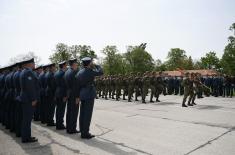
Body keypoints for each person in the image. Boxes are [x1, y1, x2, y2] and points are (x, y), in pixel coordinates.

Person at [75, 57, 103, 139]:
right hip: (89, 94)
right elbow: (101, 72)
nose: (92, 63)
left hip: (82, 93)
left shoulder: (80, 71)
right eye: (91, 62)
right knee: (87, 114)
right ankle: (85, 133)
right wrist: (97, 65)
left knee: (82, 113)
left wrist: (77, 96)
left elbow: (77, 85)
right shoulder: (89, 71)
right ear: (89, 63)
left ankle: (82, 130)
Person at [19, 58, 39, 143]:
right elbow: (30, 87)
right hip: (28, 99)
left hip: (25, 98)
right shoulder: (28, 72)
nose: (34, 65)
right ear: (29, 64)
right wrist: (33, 99)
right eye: (33, 63)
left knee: (26, 119)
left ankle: (26, 136)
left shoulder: (24, 71)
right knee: (27, 119)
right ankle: (26, 138)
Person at [64, 59, 80, 134]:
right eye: (76, 63)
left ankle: (68, 127)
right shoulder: (74, 72)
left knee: (69, 112)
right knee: (74, 112)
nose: (77, 65)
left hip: (69, 93)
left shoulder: (67, 71)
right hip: (74, 94)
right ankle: (72, 129)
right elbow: (76, 86)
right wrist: (77, 96)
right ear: (73, 64)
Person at [54, 61, 67, 130]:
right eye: (65, 65)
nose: (66, 66)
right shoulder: (63, 73)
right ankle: (60, 124)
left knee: (58, 109)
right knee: (61, 110)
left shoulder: (56, 73)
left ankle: (58, 124)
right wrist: (65, 95)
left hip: (57, 92)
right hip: (62, 93)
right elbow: (64, 85)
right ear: (63, 66)